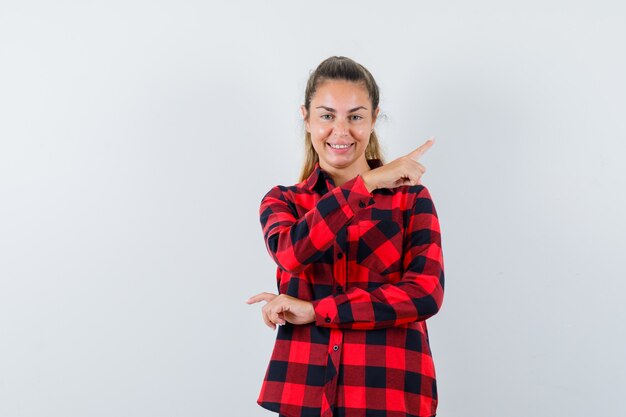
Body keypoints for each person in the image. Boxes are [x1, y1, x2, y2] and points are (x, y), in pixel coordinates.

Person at [246, 56, 445, 417]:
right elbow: (292, 253)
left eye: (355, 116)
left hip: (389, 393)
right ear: (306, 118)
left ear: (373, 119)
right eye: (326, 115)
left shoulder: (410, 199)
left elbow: (424, 294)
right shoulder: (284, 201)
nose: (341, 131)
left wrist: (317, 311)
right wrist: (366, 182)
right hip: (304, 392)